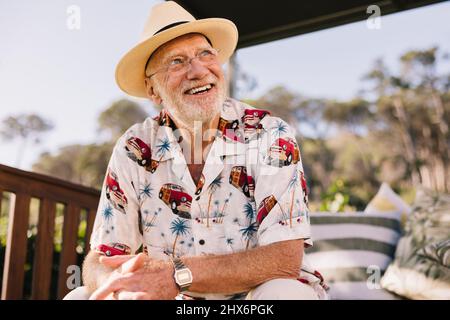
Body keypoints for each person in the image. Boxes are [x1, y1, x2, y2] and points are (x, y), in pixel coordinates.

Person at [64, 1, 328, 300]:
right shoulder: (133, 147)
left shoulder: (270, 134)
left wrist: (177, 275)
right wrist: (121, 282)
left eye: (205, 54)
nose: (199, 70)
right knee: (80, 297)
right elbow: (101, 258)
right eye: (177, 61)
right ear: (153, 91)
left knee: (285, 293)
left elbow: (284, 261)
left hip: (254, 298)